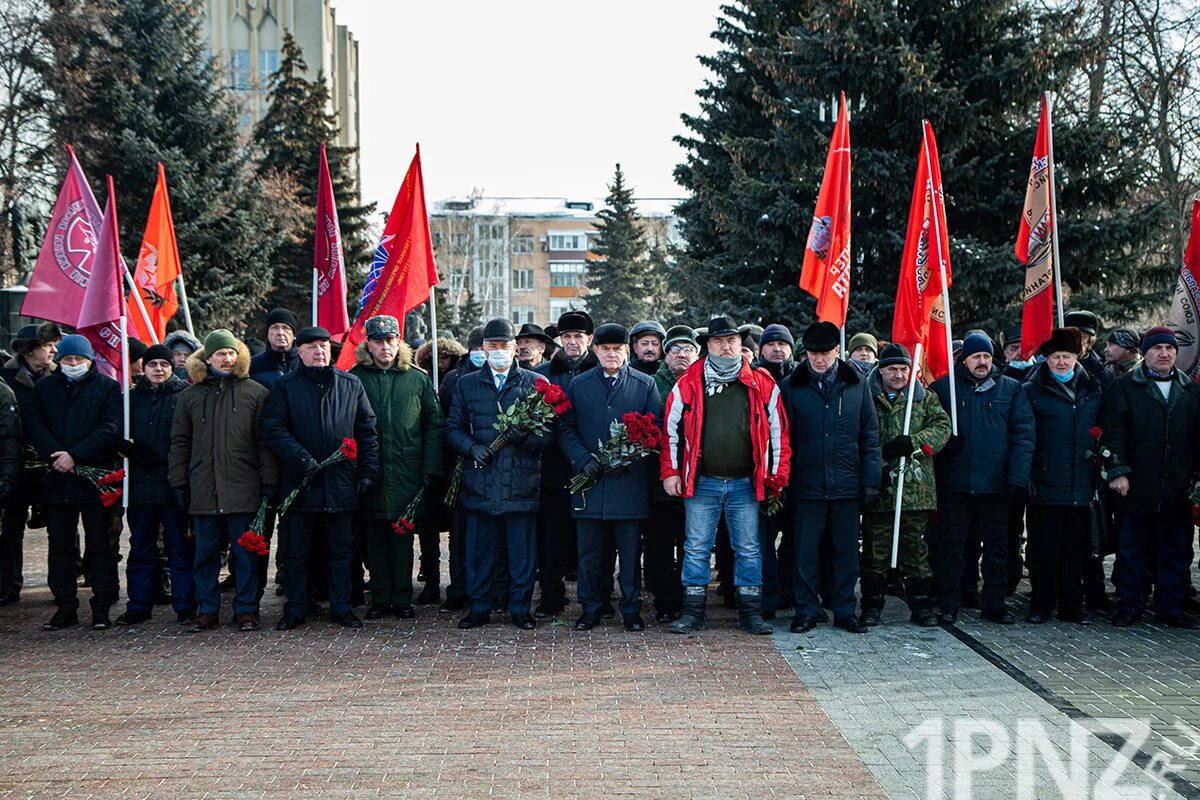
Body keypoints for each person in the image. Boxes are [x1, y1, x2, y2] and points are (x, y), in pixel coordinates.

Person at [660, 315, 790, 635]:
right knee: (696, 548)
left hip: (745, 483)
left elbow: (779, 433)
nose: (727, 346)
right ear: (708, 346)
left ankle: (750, 612)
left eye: (732, 341)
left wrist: (776, 476)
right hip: (702, 483)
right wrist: (671, 472)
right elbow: (670, 433)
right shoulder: (689, 381)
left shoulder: (761, 382)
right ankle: (693, 611)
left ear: (740, 344)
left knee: (748, 548)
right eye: (719, 341)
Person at [263, 326, 380, 631]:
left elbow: (366, 429)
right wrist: (301, 458)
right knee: (296, 551)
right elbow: (274, 429)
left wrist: (367, 472)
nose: (319, 352)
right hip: (300, 484)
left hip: (340, 483)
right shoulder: (285, 387)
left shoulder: (350, 384)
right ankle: (296, 606)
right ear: (299, 352)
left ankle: (341, 607)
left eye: (325, 346)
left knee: (342, 550)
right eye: (312, 347)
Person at [445, 318, 551, 630]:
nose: (498, 351)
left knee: (521, 552)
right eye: (492, 346)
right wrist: (470, 448)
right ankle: (479, 607)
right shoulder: (467, 383)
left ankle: (520, 607)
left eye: (504, 345)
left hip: (521, 480)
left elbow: (547, 435)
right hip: (481, 478)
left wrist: (525, 439)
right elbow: (452, 427)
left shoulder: (533, 383)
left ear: (515, 347)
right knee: (480, 550)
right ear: (483, 348)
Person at [169, 329, 278, 632]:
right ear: (207, 358)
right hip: (203, 489)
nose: (227, 359)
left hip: (244, 489)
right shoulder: (190, 396)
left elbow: (264, 443)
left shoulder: (255, 392)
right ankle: (207, 609)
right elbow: (180, 441)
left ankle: (246, 609)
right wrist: (178, 481)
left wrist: (269, 482)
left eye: (231, 353)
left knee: (244, 556)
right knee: (205, 555)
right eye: (220, 353)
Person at [559, 323, 662, 631]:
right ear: (596, 351)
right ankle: (590, 607)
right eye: (605, 349)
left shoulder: (644, 384)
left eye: (617, 349)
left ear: (626, 351)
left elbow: (653, 431)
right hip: (589, 484)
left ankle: (631, 609)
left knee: (630, 555)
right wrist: (582, 459)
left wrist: (628, 459)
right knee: (589, 554)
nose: (611, 354)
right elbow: (566, 429)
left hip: (627, 485)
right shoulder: (579, 384)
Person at [781, 322, 881, 634]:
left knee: (847, 553)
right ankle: (807, 610)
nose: (819, 360)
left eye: (825, 353)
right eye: (813, 353)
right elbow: (782, 438)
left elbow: (870, 435)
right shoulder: (791, 386)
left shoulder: (857, 384)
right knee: (804, 552)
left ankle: (844, 610)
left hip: (847, 484)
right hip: (806, 484)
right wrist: (783, 482)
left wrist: (871, 480)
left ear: (837, 351)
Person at [930, 332, 1035, 625]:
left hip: (996, 485)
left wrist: (1017, 477)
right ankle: (949, 600)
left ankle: (994, 601)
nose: (982, 362)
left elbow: (1023, 436)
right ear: (965, 359)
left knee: (997, 547)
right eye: (976, 357)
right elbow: (931, 426)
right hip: (956, 483)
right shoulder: (944, 389)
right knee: (952, 546)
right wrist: (945, 444)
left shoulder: (1011, 390)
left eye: (987, 357)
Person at [1102, 327, 1200, 628]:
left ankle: (1170, 607)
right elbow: (1113, 432)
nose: (1164, 354)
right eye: (1157, 349)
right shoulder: (1125, 387)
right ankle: (1130, 605)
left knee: (1177, 550)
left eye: (1170, 349)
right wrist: (1118, 471)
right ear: (1145, 352)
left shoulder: (1191, 390)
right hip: (1137, 485)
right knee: (1132, 549)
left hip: (1177, 485)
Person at [25, 335, 122, 631]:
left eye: (79, 360)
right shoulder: (44, 389)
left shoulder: (107, 387)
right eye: (68, 360)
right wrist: (57, 455)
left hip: (94, 479)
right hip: (56, 479)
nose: (73, 364)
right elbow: (34, 424)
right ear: (60, 361)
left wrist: (76, 455)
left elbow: (111, 426)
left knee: (100, 545)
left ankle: (102, 607)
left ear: (89, 360)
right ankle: (65, 606)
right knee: (60, 547)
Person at [350, 315, 443, 619]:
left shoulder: (417, 378)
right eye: (378, 341)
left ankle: (402, 597)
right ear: (369, 345)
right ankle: (380, 597)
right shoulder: (356, 378)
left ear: (398, 342)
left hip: (407, 470)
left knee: (402, 537)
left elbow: (433, 425)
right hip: (371, 472)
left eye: (390, 340)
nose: (385, 347)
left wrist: (430, 468)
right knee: (374, 538)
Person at [860, 343, 949, 628]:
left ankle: (921, 605)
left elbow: (942, 428)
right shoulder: (867, 398)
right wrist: (877, 464)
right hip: (880, 488)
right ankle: (872, 605)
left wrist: (913, 443)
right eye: (892, 369)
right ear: (881, 370)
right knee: (876, 551)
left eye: (903, 369)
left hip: (915, 491)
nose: (898, 375)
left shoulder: (924, 399)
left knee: (915, 551)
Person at [1020, 328, 1102, 625]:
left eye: (1066, 356)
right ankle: (1041, 604)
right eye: (1055, 357)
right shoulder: (1032, 390)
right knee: (1044, 548)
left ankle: (1071, 606)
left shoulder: (1092, 389)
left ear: (1076, 357)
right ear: (1047, 359)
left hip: (1082, 483)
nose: (1061, 363)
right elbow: (1025, 437)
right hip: (1046, 481)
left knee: (1075, 550)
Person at [115, 344, 193, 625]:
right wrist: (128, 449)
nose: (158, 369)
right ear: (143, 368)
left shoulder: (185, 396)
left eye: (163, 364)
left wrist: (147, 454)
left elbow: (186, 442)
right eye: (152, 364)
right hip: (141, 487)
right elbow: (118, 433)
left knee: (179, 550)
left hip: (174, 486)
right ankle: (138, 604)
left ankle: (185, 605)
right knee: (141, 549)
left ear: (173, 366)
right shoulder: (131, 400)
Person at [534, 310, 596, 617]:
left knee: (592, 538)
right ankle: (551, 595)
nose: (572, 342)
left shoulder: (600, 369)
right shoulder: (545, 373)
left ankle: (597, 595)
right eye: (567, 337)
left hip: (593, 464)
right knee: (552, 536)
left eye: (578, 337)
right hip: (554, 467)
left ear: (589, 340)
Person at [0, 321, 60, 606]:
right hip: (17, 465)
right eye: (49, 346)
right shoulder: (6, 377)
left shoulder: (58, 376)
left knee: (60, 527)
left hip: (52, 464)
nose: (54, 351)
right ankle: (8, 585)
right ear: (31, 349)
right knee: (11, 527)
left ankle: (63, 583)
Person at [645, 325, 698, 621]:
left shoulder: (704, 383)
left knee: (693, 543)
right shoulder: (651, 384)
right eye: (675, 349)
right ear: (666, 355)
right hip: (660, 481)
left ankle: (690, 601)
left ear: (697, 353)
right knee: (660, 545)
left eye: (688, 349)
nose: (681, 354)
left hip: (697, 480)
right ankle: (665, 603)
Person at [435, 325, 485, 614]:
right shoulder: (454, 379)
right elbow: (447, 423)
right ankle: (459, 587)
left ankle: (485, 586)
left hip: (489, 464)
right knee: (460, 533)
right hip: (460, 465)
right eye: (477, 349)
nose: (481, 354)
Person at [413, 334, 466, 605]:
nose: (441, 362)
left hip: (455, 463)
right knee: (428, 528)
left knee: (458, 529)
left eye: (446, 357)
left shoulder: (460, 381)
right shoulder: (421, 381)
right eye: (436, 358)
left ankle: (458, 582)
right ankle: (431, 580)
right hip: (430, 464)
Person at [750, 322, 797, 616]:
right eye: (771, 344)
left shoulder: (802, 379)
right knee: (761, 542)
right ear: (761, 349)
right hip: (759, 475)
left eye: (782, 344)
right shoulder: (752, 379)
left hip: (795, 474)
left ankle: (791, 593)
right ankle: (766, 598)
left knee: (795, 539)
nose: (777, 349)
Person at [249, 308, 299, 390]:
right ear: (267, 332)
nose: (280, 333)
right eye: (274, 327)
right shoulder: (254, 365)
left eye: (285, 328)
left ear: (293, 334)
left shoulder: (305, 362)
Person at [1064, 310, 1110, 388]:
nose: (1075, 341)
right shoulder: (1046, 368)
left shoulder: (1102, 374)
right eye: (1070, 335)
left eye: (1081, 337)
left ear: (1090, 342)